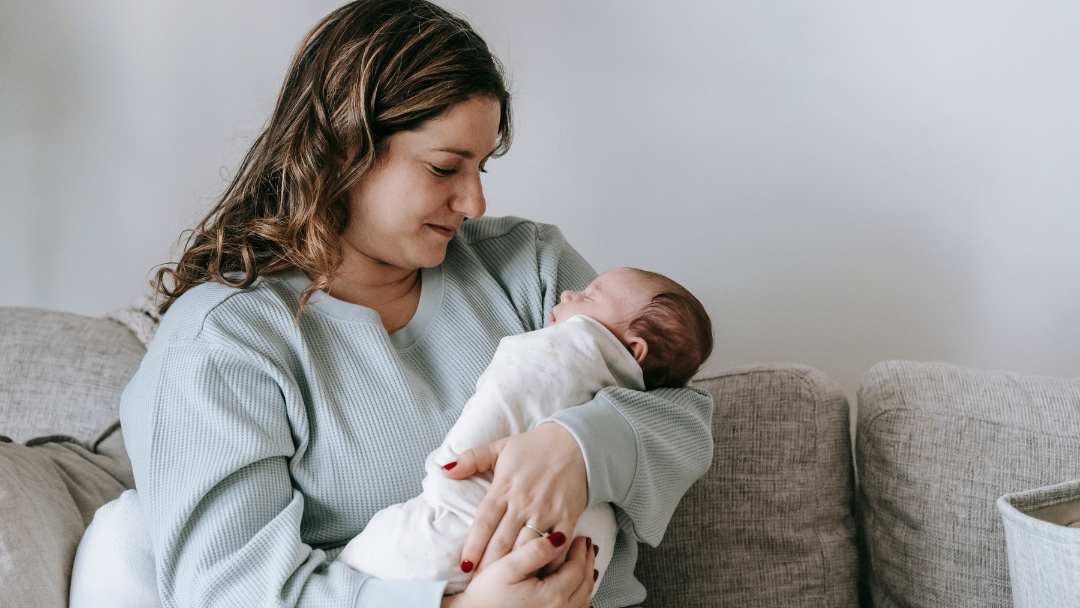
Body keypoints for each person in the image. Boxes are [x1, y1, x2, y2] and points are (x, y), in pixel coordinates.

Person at [111, 2, 714, 607]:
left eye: (480, 167)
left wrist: (578, 449)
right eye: (445, 167)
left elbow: (684, 417)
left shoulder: (529, 268)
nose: (474, 201)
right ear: (342, 150)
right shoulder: (226, 340)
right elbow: (228, 586)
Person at [336, 268, 714, 596]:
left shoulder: (552, 299)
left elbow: (690, 418)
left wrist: (575, 446)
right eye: (444, 176)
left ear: (634, 350)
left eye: (587, 296)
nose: (569, 293)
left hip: (564, 584)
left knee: (370, 551)